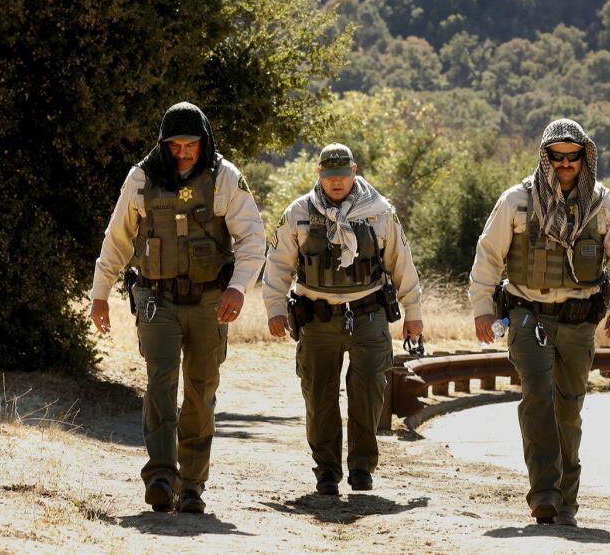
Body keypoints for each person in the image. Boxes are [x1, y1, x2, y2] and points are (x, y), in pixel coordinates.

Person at [89, 101, 266, 514]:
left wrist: (238, 289)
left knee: (201, 393)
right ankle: (162, 477)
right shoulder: (140, 180)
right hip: (157, 300)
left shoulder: (224, 177)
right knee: (160, 386)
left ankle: (193, 486)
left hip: (210, 300)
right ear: (163, 145)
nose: (183, 153)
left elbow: (253, 239)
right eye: (175, 146)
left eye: (191, 145)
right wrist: (99, 294)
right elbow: (117, 239)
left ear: (204, 142)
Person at [469, 119, 610, 527]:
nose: (565, 164)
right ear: (545, 157)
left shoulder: (602, 205)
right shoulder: (517, 201)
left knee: (569, 411)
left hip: (579, 320)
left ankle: (567, 501)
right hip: (528, 315)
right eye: (557, 156)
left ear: (584, 157)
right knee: (538, 399)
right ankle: (543, 494)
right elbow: (489, 255)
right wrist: (482, 309)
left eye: (573, 156)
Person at [262, 143, 424, 496]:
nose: (336, 182)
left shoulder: (379, 212)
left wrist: (414, 314)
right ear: (319, 175)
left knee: (367, 392)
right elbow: (277, 264)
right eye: (329, 175)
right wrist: (275, 309)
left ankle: (362, 467)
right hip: (316, 318)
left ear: (354, 172)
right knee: (319, 397)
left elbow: (402, 263)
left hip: (368, 314)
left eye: (342, 175)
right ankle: (327, 471)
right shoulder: (299, 213)